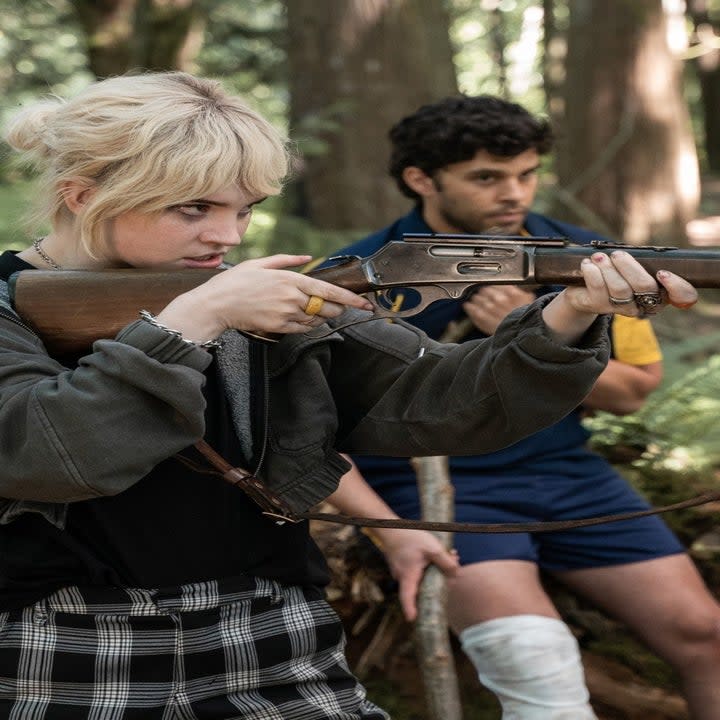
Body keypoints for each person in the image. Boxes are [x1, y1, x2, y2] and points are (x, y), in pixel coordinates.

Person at [0, 73, 696, 720]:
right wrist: (189, 324)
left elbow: (444, 399)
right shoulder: (20, 306)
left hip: (273, 629)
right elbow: (47, 455)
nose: (229, 236)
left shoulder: (255, 295)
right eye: (194, 209)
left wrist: (565, 316)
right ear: (84, 193)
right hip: (55, 639)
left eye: (245, 209)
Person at [323, 94, 720, 720]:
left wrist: (541, 335)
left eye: (526, 174)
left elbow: (636, 388)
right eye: (486, 177)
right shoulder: (358, 274)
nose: (514, 193)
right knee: (531, 657)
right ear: (420, 179)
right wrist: (390, 533)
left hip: (568, 473)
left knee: (705, 634)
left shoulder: (594, 259)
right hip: (434, 488)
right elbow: (311, 424)